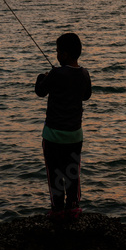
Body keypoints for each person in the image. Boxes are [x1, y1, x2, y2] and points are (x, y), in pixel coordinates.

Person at [35, 32, 92, 221]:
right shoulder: (84, 74)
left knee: (54, 173)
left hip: (53, 135)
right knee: (72, 172)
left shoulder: (55, 73)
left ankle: (57, 208)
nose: (57, 55)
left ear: (65, 54)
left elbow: (41, 91)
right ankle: (73, 206)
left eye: (58, 51)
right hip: (75, 135)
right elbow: (86, 96)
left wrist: (40, 77)